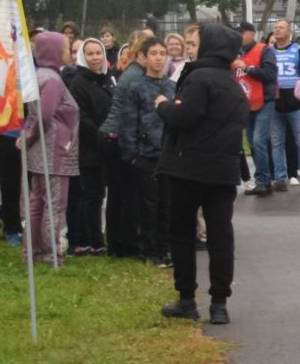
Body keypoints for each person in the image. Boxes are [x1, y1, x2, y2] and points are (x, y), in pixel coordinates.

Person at [158, 25, 252, 326]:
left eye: (194, 43)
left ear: (209, 46)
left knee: (182, 233)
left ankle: (187, 299)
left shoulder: (199, 78)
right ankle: (219, 303)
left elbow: (183, 117)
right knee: (221, 235)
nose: (189, 48)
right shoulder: (235, 85)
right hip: (223, 171)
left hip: (188, 168)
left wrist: (163, 106)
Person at [23, 30, 80, 267]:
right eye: (65, 48)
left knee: (37, 202)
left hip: (42, 151)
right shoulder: (53, 81)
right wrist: (29, 134)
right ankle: (50, 253)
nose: (68, 53)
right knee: (54, 204)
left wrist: (28, 135)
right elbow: (45, 115)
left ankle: (33, 251)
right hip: (55, 151)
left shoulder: (40, 76)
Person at [117, 36, 172, 265]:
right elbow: (128, 123)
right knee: (148, 205)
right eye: (154, 54)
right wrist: (132, 154)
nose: (159, 58)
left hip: (168, 155)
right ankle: (149, 250)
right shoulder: (135, 87)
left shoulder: (172, 86)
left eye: (162, 53)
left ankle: (164, 248)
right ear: (144, 57)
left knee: (167, 205)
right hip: (145, 155)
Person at [65, 38, 115, 254]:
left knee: (100, 195)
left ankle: (97, 237)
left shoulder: (106, 79)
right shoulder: (78, 82)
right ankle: (91, 240)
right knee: (91, 196)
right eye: (91, 54)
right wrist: (101, 134)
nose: (95, 58)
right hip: (89, 147)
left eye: (98, 53)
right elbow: (80, 116)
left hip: (108, 146)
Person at [254, 19, 300, 190]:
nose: (277, 30)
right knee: (277, 142)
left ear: (289, 32)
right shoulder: (268, 51)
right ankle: (280, 179)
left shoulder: (299, 50)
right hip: (275, 102)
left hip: (296, 103)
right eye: (275, 27)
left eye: (281, 27)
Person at [232, 23, 271, 194]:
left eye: (242, 33)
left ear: (252, 34)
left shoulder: (264, 50)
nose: (239, 36)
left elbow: (270, 74)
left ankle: (262, 179)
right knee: (253, 144)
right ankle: (265, 179)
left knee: (259, 140)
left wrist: (247, 68)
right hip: (246, 103)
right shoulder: (235, 53)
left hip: (265, 101)